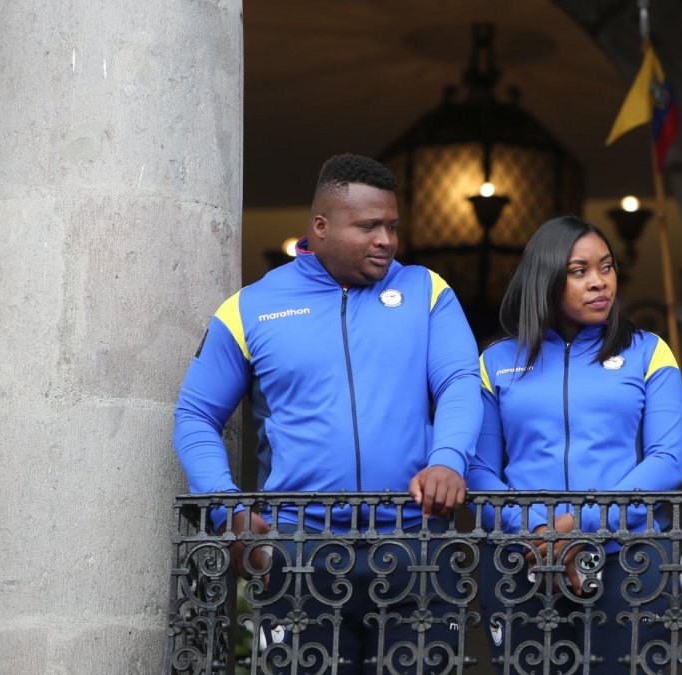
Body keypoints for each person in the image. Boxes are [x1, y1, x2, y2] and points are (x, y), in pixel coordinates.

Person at [172, 153, 482, 674]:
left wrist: (448, 460)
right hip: (297, 552)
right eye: (368, 226)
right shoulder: (250, 308)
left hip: (415, 544)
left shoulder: (427, 292)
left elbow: (459, 381)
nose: (386, 240)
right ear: (321, 226)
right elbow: (195, 414)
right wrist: (226, 509)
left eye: (392, 226)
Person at [467, 215, 682, 673]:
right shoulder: (495, 361)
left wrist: (580, 524)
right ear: (545, 278)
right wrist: (535, 532)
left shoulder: (649, 352)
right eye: (579, 271)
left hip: (628, 557)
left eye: (606, 267)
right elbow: (478, 470)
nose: (599, 282)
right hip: (521, 557)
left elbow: (666, 460)